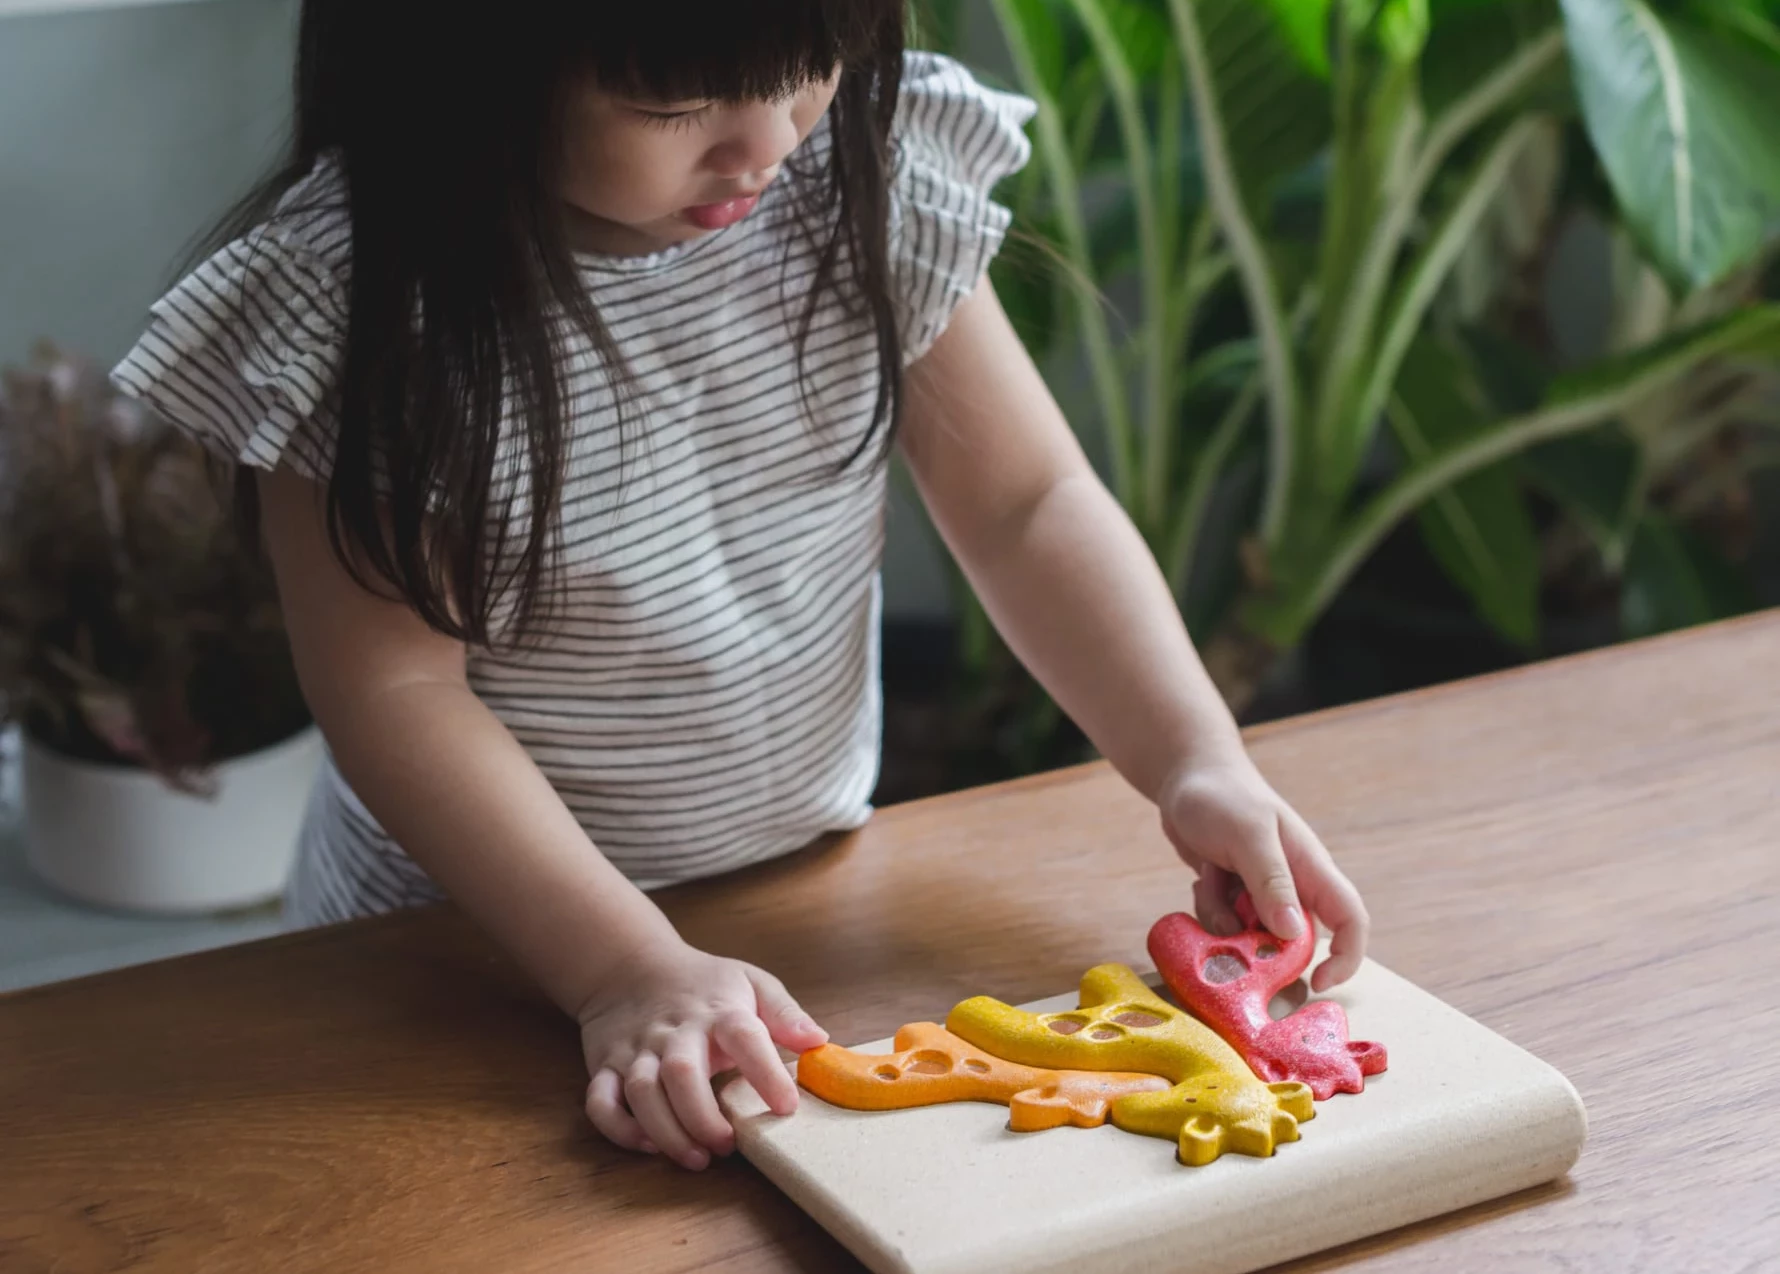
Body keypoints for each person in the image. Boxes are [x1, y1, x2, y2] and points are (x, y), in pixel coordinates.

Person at [111, 3, 1369, 1173]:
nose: (761, 146)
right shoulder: (364, 301)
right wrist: (622, 968)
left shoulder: (857, 175)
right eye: (675, 110)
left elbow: (1024, 503)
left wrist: (1193, 754)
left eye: (800, 73)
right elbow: (395, 690)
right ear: (464, 59)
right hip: (462, 950)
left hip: (791, 898)